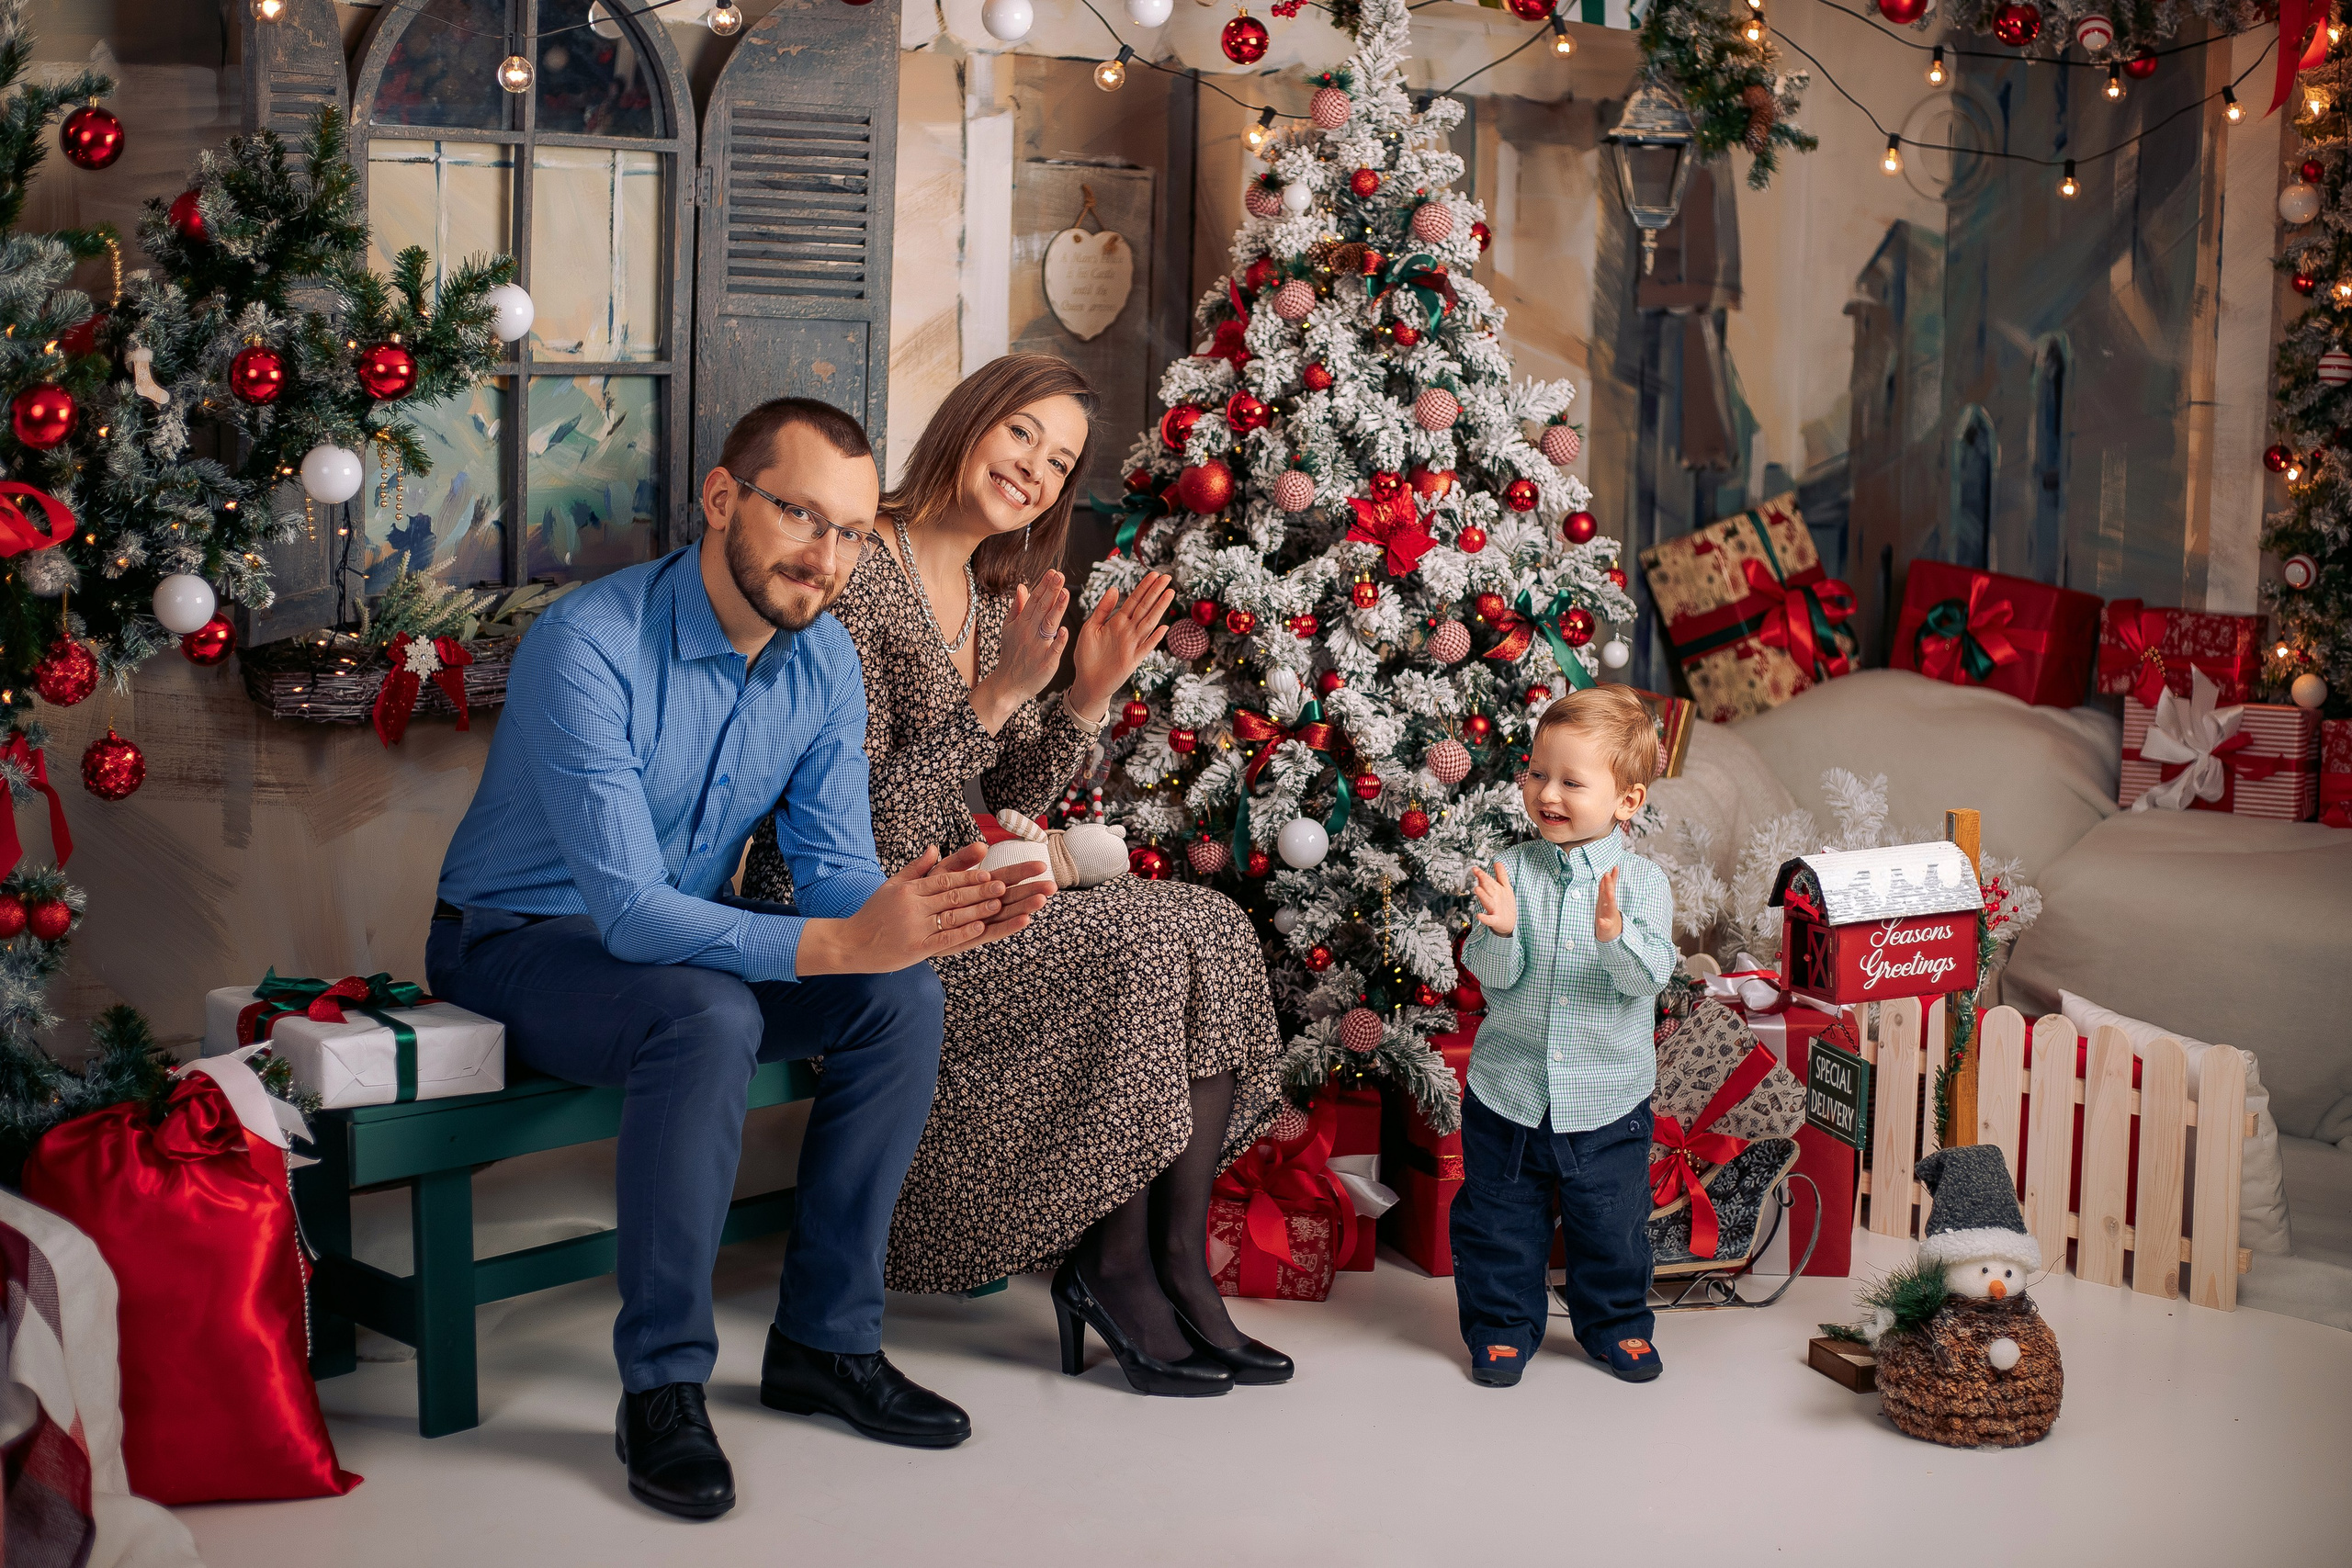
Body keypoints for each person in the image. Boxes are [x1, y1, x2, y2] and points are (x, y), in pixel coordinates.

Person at [427, 398, 1051, 1521]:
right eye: (800, 516)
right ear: (723, 499)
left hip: (678, 947)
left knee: (897, 996)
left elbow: (829, 870)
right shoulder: (588, 644)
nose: (827, 557)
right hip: (516, 944)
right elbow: (626, 914)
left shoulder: (823, 670)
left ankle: (823, 1342)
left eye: (854, 533)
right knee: (707, 1015)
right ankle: (661, 1386)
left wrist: (937, 906)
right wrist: (840, 940)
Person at [743, 355, 1292, 1397]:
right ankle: (1112, 1265)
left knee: (1208, 924)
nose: (1036, 471)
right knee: (1132, 942)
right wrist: (994, 698)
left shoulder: (993, 594)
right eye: (1022, 438)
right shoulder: (855, 573)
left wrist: (1082, 694)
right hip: (864, 911)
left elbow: (1010, 797)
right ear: (970, 422)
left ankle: (1176, 1262)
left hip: (968, 892)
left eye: (1061, 461)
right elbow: (850, 827)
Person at [1454, 685, 1677, 1389]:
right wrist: (1501, 932)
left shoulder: (1642, 883)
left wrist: (1614, 938)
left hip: (1606, 1102)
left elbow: (1647, 979)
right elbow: (1495, 981)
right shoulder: (1512, 869)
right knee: (1498, 1224)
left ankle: (1615, 1324)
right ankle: (1500, 1326)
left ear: (1627, 801)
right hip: (1509, 1093)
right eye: (1537, 772)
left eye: (1571, 781)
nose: (1547, 792)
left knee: (1612, 1228)